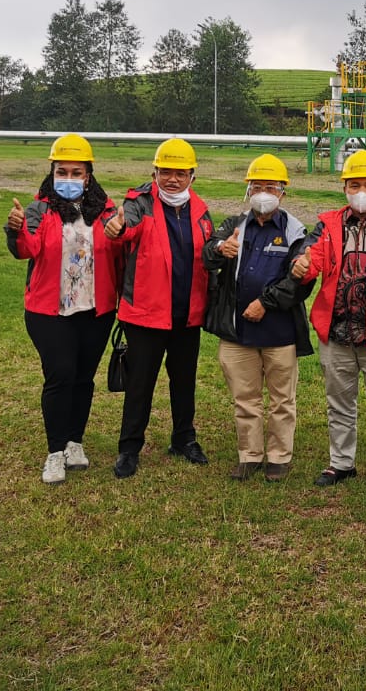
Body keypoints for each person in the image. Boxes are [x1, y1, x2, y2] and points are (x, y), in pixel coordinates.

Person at [5, 133, 123, 485]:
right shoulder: (39, 209)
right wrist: (16, 230)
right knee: (60, 376)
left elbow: (118, 250)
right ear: (52, 171)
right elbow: (28, 249)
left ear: (89, 175)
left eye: (76, 172)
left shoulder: (106, 210)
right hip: (49, 312)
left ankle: (75, 441)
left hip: (95, 310)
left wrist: (121, 233)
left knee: (83, 379)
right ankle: (55, 451)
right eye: (63, 171)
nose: (69, 178)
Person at [291, 149, 366, 491]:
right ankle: (341, 462)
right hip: (336, 331)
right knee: (339, 403)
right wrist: (300, 267)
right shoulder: (327, 226)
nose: (362, 191)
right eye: (355, 184)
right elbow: (309, 258)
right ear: (344, 187)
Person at [105, 138, 216, 479]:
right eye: (166, 172)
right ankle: (129, 448)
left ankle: (184, 439)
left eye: (180, 173)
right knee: (140, 384)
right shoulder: (139, 202)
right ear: (154, 172)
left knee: (184, 382)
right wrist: (118, 226)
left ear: (192, 176)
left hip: (186, 315)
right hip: (147, 315)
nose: (172, 179)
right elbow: (125, 227)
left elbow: (208, 250)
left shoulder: (200, 209)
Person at [203, 154, 314, 482]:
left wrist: (265, 303)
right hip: (237, 333)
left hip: (279, 332)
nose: (263, 192)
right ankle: (249, 456)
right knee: (245, 398)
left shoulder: (295, 231)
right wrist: (220, 249)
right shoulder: (232, 226)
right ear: (248, 190)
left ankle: (279, 457)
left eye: (271, 187)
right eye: (258, 186)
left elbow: (298, 281)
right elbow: (207, 253)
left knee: (282, 400)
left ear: (283, 193)